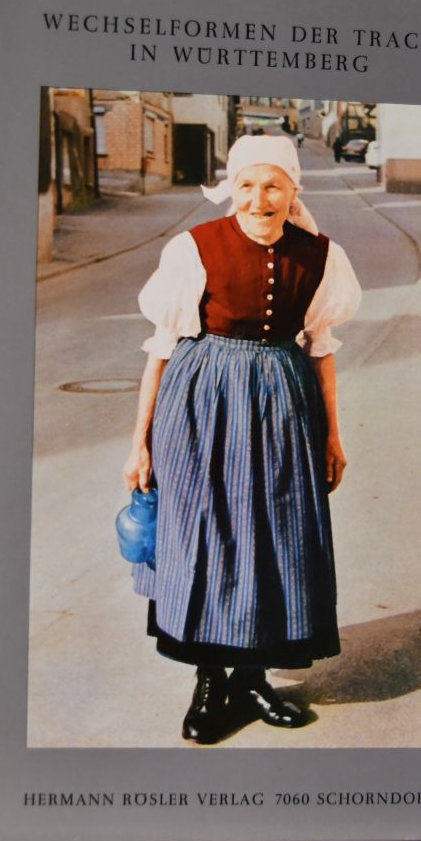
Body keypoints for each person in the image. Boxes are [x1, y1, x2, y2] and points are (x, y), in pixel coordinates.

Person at [122, 135, 361, 745]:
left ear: (293, 189)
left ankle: (253, 680)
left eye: (273, 185)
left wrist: (333, 436)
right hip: (200, 405)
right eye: (247, 185)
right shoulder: (193, 247)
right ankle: (208, 681)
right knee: (204, 535)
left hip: (285, 407)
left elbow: (322, 351)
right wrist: (139, 442)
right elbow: (160, 351)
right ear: (230, 188)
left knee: (277, 537)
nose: (259, 199)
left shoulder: (322, 255)